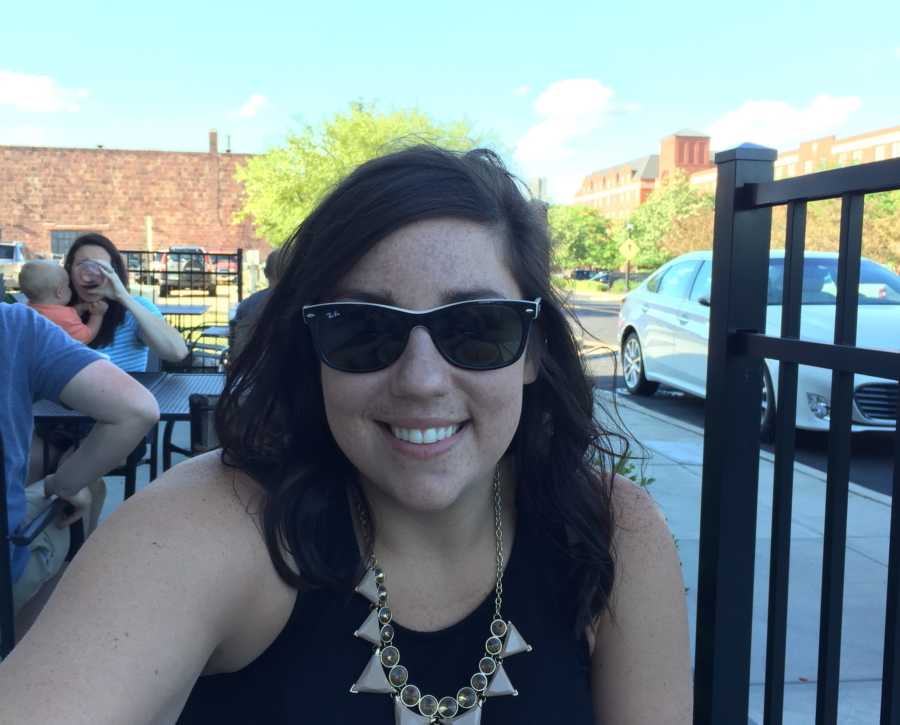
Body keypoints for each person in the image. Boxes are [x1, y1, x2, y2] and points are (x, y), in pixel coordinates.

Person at [0, 147, 692, 724]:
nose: (422, 379)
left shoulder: (612, 534)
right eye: (363, 329)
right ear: (313, 350)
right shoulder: (218, 526)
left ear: (534, 349)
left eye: (476, 328)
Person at [0, 302, 160, 639]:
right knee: (83, 495)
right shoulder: (16, 325)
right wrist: (64, 483)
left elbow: (171, 347)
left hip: (60, 420)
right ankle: (28, 652)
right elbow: (136, 410)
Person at [29, 233, 188, 484]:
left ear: (115, 272)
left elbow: (176, 352)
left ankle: (79, 517)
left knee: (77, 474)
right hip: (55, 419)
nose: (92, 274)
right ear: (69, 271)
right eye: (83, 265)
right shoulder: (55, 313)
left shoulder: (134, 307)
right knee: (22, 468)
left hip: (116, 423)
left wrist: (123, 297)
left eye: (102, 267)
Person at [18, 259, 106, 343]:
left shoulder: (29, 308)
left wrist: (81, 308)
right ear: (60, 292)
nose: (70, 288)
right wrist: (97, 315)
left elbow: (62, 314)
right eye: (67, 285)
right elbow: (85, 337)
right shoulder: (64, 317)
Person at [229, 246, 282, 360]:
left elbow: (237, 350)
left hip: (253, 370)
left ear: (265, 273)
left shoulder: (248, 305)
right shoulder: (307, 305)